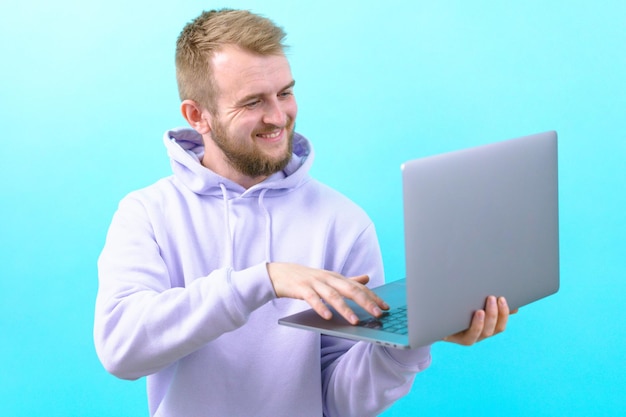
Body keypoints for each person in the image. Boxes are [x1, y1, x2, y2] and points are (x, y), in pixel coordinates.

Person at [94, 8, 513, 417]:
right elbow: (121, 350)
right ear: (197, 115)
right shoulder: (147, 214)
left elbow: (338, 400)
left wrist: (409, 342)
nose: (279, 117)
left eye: (286, 92)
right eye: (253, 101)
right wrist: (266, 279)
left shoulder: (343, 223)